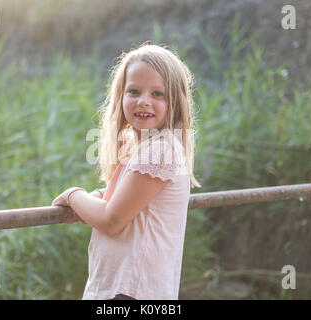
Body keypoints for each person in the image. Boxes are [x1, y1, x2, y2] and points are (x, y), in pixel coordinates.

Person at [51, 41, 201, 300]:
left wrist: (73, 195)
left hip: (132, 292)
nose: (144, 101)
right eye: (134, 91)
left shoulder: (160, 150)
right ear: (120, 96)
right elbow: (128, 201)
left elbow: (112, 220)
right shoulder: (141, 148)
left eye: (158, 94)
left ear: (176, 100)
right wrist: (99, 194)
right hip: (124, 289)